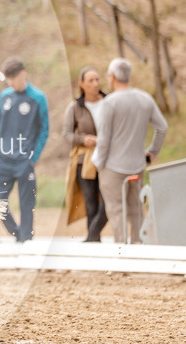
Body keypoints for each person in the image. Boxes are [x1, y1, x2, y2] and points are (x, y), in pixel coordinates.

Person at [91, 58, 168, 244]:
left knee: (116, 210)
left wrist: (98, 164)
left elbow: (104, 140)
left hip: (112, 166)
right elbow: (162, 127)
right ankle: (137, 245)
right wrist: (152, 152)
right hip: (137, 164)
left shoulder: (109, 103)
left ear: (112, 77)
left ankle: (121, 248)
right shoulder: (145, 98)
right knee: (136, 208)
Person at [0, 57, 49, 242]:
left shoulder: (38, 98)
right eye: (7, 79)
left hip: (25, 161)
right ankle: (17, 234)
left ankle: (26, 240)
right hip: (4, 160)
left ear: (23, 74)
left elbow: (44, 130)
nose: (11, 83)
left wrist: (33, 157)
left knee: (27, 203)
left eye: (13, 78)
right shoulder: (5, 96)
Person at [62, 66, 107, 242]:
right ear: (82, 84)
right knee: (90, 202)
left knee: (108, 200)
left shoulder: (109, 102)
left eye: (97, 79)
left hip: (107, 157)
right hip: (85, 160)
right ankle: (94, 240)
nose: (95, 83)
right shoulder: (74, 107)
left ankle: (91, 236)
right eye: (91, 80)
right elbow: (66, 134)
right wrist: (82, 139)